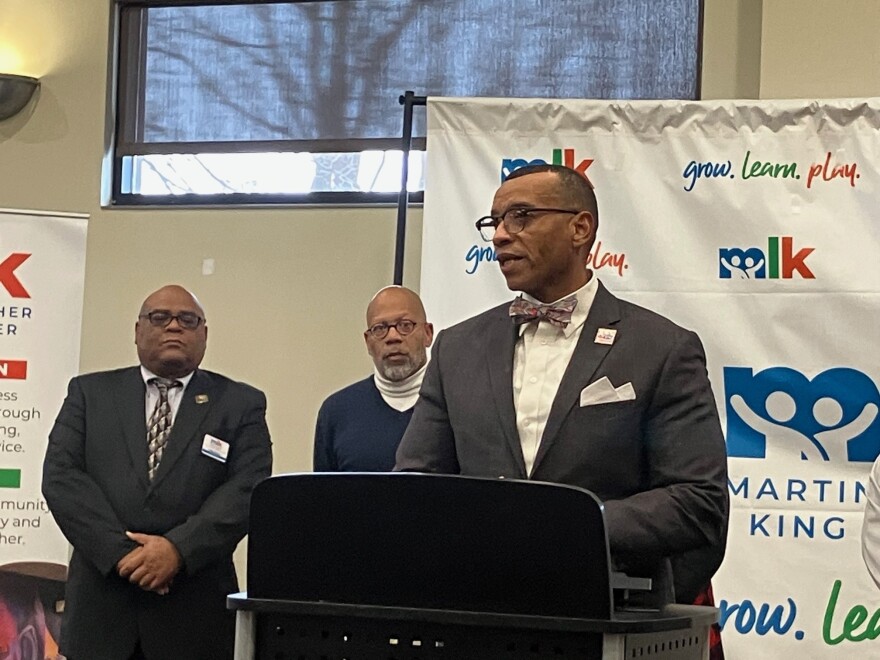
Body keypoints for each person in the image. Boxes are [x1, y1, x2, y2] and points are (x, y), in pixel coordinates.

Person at [395, 164, 729, 607]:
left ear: (580, 228)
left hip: (612, 614)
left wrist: (574, 526)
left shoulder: (661, 348)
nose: (500, 235)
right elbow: (414, 486)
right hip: (477, 612)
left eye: (521, 216)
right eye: (494, 222)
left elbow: (699, 502)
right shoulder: (457, 349)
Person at [42, 285, 273, 660]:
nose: (174, 327)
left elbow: (249, 489)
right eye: (159, 317)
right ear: (137, 331)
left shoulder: (240, 403)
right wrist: (124, 556)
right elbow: (61, 479)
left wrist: (176, 551)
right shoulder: (89, 394)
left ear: (205, 334)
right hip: (101, 617)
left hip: (195, 618)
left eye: (187, 320)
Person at [314, 286, 433, 471]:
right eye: (380, 329)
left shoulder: (456, 405)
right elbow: (323, 496)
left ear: (428, 333)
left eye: (405, 326)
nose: (393, 337)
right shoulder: (337, 412)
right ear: (368, 342)